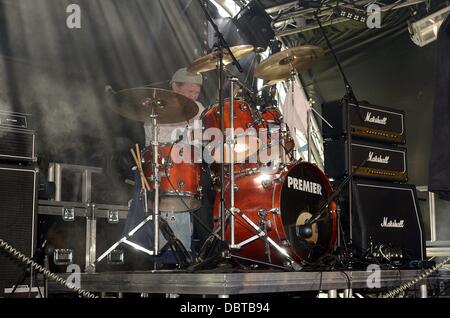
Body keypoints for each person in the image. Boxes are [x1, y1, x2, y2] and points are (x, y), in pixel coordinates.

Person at [141, 68, 215, 264]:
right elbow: (158, 143)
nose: (193, 96)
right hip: (166, 167)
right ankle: (171, 253)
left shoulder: (198, 108)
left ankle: (209, 249)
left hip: (193, 167)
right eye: (189, 92)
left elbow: (202, 143)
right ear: (174, 87)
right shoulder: (157, 107)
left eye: (196, 92)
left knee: (211, 184)